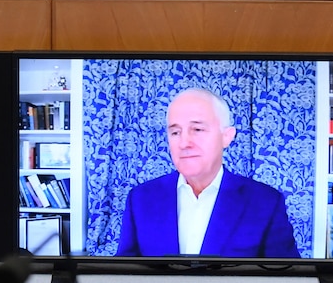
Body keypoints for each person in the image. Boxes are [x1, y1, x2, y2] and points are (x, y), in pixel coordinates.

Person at [116, 88, 300, 258]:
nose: (184, 143)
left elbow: (287, 275)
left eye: (197, 129)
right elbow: (123, 273)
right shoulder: (141, 198)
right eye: (175, 132)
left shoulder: (265, 202)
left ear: (226, 136)